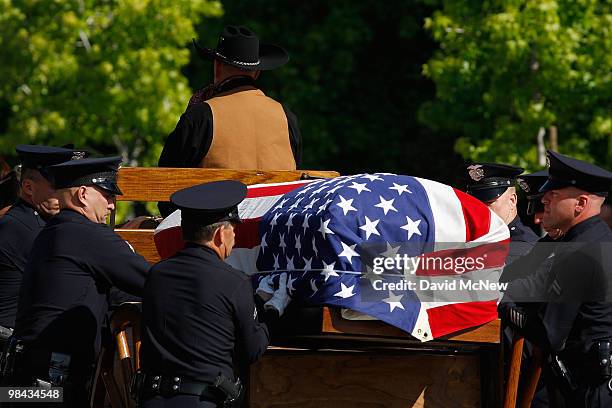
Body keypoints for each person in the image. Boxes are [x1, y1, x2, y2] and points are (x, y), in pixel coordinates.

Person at [6, 157, 150, 407]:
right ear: (83, 194)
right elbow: (153, 282)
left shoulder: (53, 231)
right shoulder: (88, 235)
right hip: (53, 387)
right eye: (107, 195)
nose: (112, 205)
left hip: (25, 382)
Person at [140, 180, 290, 407]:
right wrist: (273, 310)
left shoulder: (157, 275)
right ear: (221, 233)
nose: (235, 237)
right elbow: (252, 349)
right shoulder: (234, 282)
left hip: (152, 400)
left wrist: (257, 300)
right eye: (234, 229)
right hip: (203, 400)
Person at [503, 150, 612, 407]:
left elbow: (547, 332)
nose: (546, 202)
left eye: (554, 196)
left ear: (581, 204)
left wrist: (503, 306)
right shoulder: (590, 242)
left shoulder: (581, 253)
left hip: (593, 391)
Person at [158, 25, 302, 217]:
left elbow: (165, 186)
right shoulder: (286, 116)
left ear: (217, 66)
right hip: (272, 233)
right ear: (256, 72)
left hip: (215, 235)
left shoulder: (202, 115)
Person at [0, 145, 87, 343]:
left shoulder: (32, 222)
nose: (67, 193)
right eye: (57, 186)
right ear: (29, 188)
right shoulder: (25, 230)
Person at [465, 162, 539, 264]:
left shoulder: (525, 247)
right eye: (477, 204)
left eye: (489, 202)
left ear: (512, 201)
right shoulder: (476, 239)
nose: (482, 209)